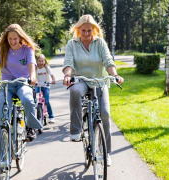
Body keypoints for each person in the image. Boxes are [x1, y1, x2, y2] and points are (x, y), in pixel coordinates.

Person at [62, 14, 124, 166]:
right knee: (75, 91)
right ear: (78, 30)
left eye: (89, 30)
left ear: (94, 30)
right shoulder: (72, 44)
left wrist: (115, 75)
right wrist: (67, 75)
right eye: (83, 31)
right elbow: (68, 62)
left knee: (105, 114)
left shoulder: (100, 43)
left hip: (99, 81)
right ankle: (75, 131)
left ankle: (106, 153)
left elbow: (108, 61)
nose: (86, 34)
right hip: (81, 80)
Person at [0, 24, 43, 140]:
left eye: (15, 38)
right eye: (10, 39)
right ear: (6, 39)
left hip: (23, 83)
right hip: (7, 85)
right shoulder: (2, 50)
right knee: (3, 110)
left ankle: (30, 127)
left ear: (20, 38)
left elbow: (32, 66)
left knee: (27, 100)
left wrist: (32, 77)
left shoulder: (27, 50)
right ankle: (4, 136)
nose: (12, 41)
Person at [35, 54, 56, 123]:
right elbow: (32, 75)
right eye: (39, 61)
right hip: (38, 85)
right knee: (33, 92)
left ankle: (51, 116)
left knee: (46, 101)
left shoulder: (46, 67)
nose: (41, 63)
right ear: (37, 61)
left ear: (45, 61)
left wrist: (53, 80)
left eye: (42, 61)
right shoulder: (35, 68)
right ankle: (36, 106)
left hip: (46, 85)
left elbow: (52, 75)